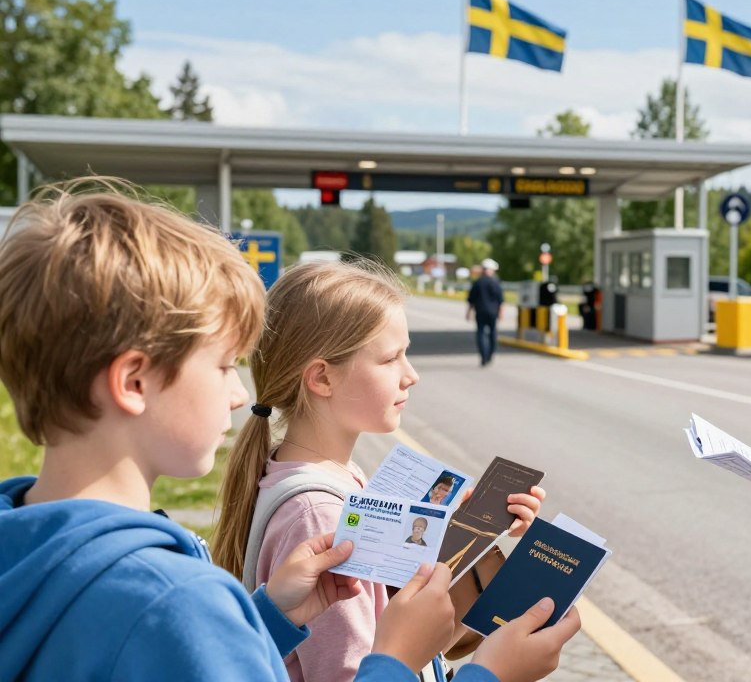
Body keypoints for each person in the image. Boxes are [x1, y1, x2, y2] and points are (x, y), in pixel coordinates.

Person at [0, 182, 465, 680]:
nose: (240, 395)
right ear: (134, 382)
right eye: (224, 365)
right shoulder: (176, 603)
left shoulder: (25, 550)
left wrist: (269, 618)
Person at [215, 259, 574, 682]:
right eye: (391, 359)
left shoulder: (321, 477)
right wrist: (493, 673)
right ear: (322, 379)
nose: (412, 376)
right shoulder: (321, 514)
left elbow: (398, 641)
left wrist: (472, 537)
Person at [466, 259, 504, 366]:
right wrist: (501, 313)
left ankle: (483, 356)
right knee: (492, 333)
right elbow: (500, 300)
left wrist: (469, 313)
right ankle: (490, 355)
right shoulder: (495, 282)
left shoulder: (477, 282)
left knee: (480, 333)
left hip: (480, 312)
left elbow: (471, 300)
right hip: (493, 312)